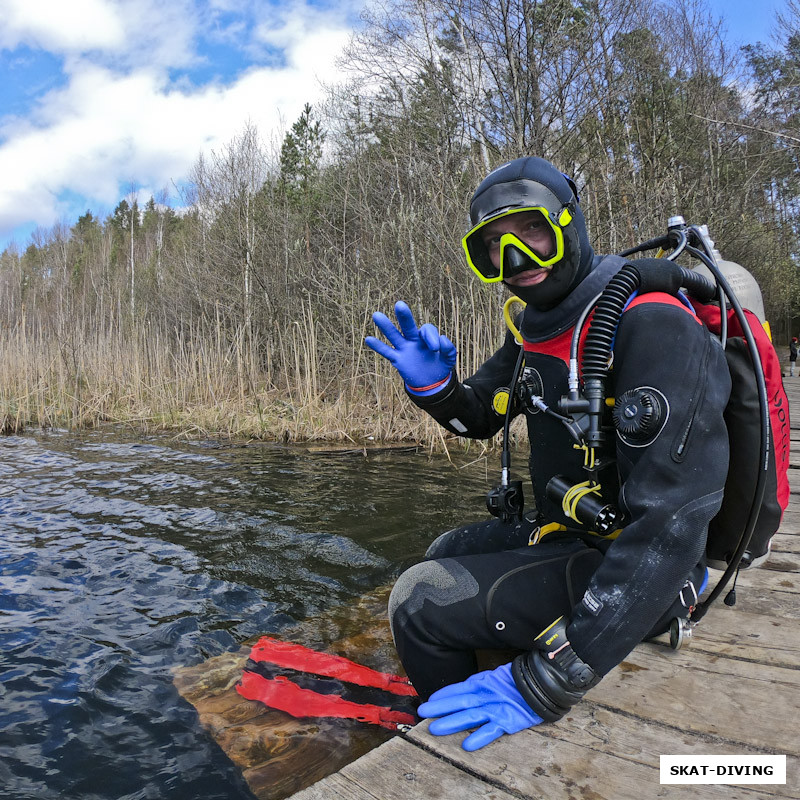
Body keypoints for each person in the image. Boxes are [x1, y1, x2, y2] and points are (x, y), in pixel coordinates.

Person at [365, 156, 732, 752]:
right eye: (493, 246)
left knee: (419, 600)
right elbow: (481, 414)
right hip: (570, 535)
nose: (514, 260)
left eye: (530, 232)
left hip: (650, 571)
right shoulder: (537, 329)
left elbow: (673, 526)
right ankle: (468, 693)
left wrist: (547, 681)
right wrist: (437, 389)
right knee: (442, 553)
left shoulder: (653, 326)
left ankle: (465, 749)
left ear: (570, 223)